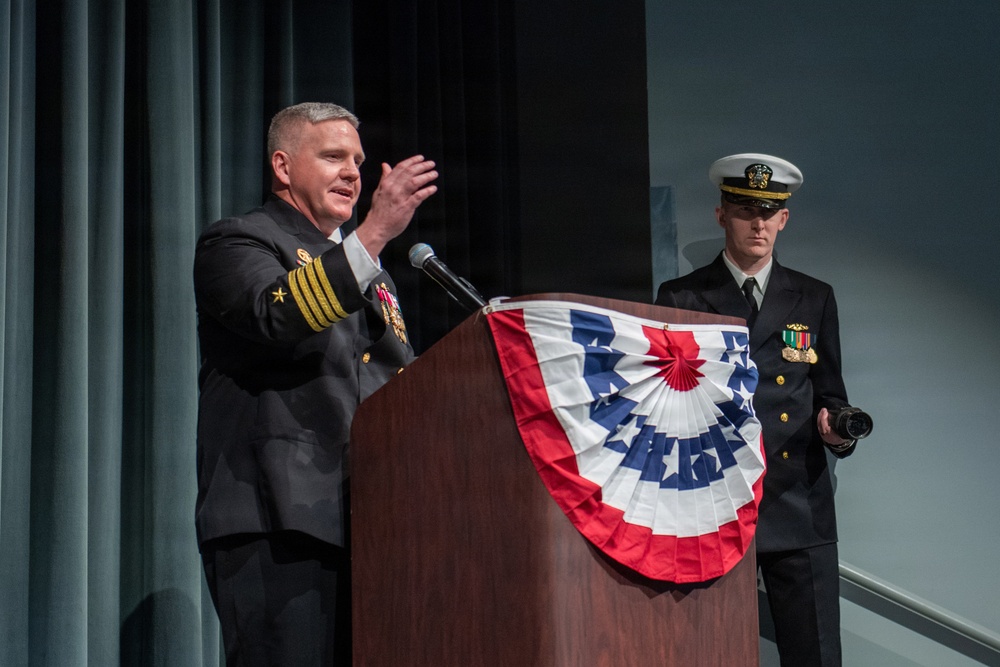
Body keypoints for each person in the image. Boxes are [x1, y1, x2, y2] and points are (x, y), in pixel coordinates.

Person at [193, 102, 438, 665]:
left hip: (374, 522)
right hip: (279, 518)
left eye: (358, 161)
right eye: (333, 157)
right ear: (283, 166)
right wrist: (373, 235)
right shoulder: (239, 241)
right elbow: (274, 315)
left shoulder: (371, 275)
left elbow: (397, 383)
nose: (352, 173)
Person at [655, 153, 855, 666]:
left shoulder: (814, 297)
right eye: (745, 211)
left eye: (768, 213)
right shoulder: (682, 297)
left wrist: (837, 429)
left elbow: (830, 392)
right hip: (712, 500)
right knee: (709, 652)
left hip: (798, 501)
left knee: (814, 654)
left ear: (783, 218)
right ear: (722, 215)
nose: (758, 224)